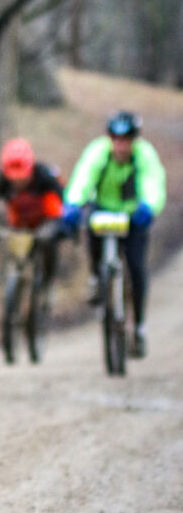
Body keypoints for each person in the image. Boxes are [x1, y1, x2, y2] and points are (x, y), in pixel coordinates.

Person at [62, 111, 166, 358]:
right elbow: (83, 177)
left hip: (132, 217)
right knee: (93, 243)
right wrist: (73, 204)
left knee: (137, 268)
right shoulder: (98, 151)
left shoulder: (144, 155)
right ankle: (97, 279)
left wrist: (149, 206)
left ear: (134, 140)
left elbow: (153, 182)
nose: (121, 145)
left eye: (126, 139)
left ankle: (138, 326)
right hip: (103, 212)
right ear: (110, 138)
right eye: (116, 139)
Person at [0, 137, 66, 285]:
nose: (18, 182)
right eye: (14, 178)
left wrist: (58, 225)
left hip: (45, 221)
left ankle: (47, 285)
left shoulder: (45, 176)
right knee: (15, 253)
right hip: (18, 224)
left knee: (47, 243)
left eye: (22, 177)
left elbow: (64, 200)